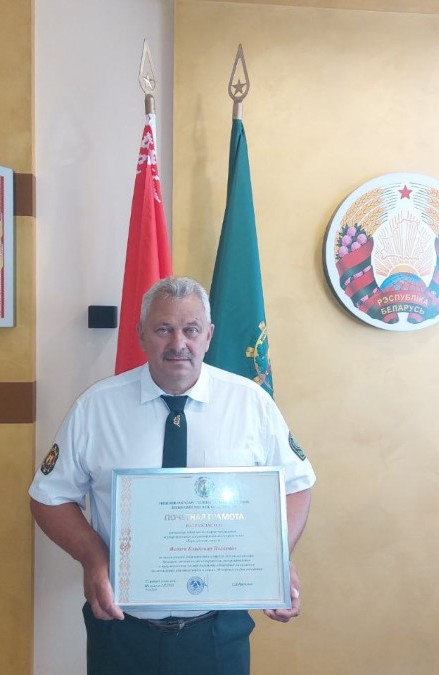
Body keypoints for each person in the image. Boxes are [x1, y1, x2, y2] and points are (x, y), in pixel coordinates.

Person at [29, 276, 316, 675]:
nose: (178, 343)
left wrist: (275, 555)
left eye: (191, 330)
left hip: (218, 630)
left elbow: (296, 486)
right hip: (122, 629)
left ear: (209, 335)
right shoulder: (97, 408)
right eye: (163, 329)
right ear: (141, 334)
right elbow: (49, 497)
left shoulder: (251, 404)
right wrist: (92, 557)